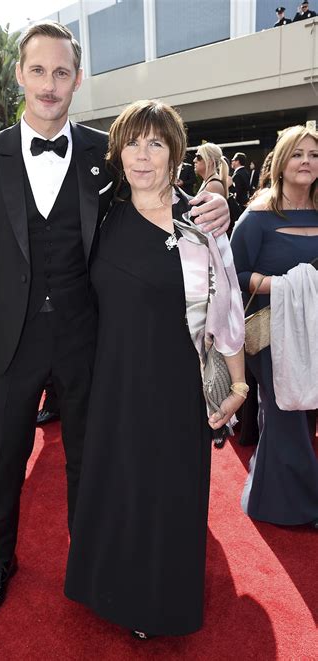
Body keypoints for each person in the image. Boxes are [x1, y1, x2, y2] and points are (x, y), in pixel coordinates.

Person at [0, 20, 231, 617]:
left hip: (89, 341)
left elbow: (159, 197)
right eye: (39, 70)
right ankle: (1, 560)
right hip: (10, 342)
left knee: (89, 461)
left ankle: (92, 564)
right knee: (2, 459)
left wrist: (214, 206)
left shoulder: (109, 148)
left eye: (62, 72)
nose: (50, 85)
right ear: (20, 74)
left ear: (77, 79)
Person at [64, 99, 245, 640]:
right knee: (116, 487)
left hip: (178, 387)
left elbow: (226, 306)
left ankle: (159, 605)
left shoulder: (201, 224)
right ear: (117, 152)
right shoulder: (99, 214)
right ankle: (111, 592)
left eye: (157, 143)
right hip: (113, 382)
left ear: (176, 153)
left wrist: (235, 385)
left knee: (171, 494)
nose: (143, 156)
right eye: (133, 143)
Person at [231, 124, 318, 529]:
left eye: (314, 155)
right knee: (286, 412)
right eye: (298, 154)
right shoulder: (258, 215)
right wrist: (281, 285)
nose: (306, 161)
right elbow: (233, 272)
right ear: (281, 163)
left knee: (307, 414)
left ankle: (271, 491)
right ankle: (297, 507)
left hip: (314, 329)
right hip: (273, 331)